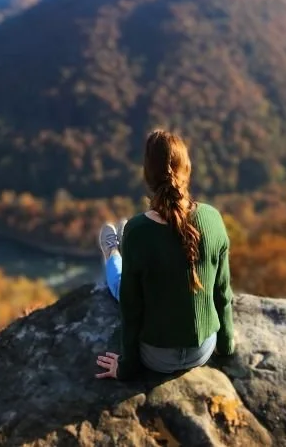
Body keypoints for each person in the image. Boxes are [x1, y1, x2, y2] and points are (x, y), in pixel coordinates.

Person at [95, 129, 235, 381]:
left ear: (147, 177)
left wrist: (127, 367)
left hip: (156, 358)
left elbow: (131, 307)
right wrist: (225, 347)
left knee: (118, 284)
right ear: (188, 170)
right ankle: (119, 252)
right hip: (203, 350)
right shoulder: (213, 219)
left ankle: (113, 254)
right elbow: (222, 292)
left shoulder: (139, 231)